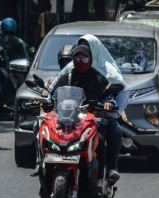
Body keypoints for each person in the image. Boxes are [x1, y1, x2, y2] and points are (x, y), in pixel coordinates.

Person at [48, 34, 129, 188]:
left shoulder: (102, 74)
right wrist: (47, 102)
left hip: (96, 116)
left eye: (85, 56)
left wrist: (111, 106)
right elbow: (54, 90)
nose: (80, 60)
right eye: (77, 56)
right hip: (70, 116)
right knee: (46, 129)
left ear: (93, 53)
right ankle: (44, 166)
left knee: (109, 134)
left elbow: (116, 91)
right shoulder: (69, 73)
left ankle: (107, 173)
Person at [30, 44, 74, 177]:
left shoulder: (82, 78)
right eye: (64, 61)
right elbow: (46, 95)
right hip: (57, 114)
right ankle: (40, 160)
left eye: (69, 61)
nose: (67, 65)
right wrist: (41, 100)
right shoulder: (53, 80)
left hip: (78, 116)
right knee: (37, 125)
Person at [0, 17, 28, 106]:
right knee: (23, 83)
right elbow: (25, 58)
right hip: (13, 69)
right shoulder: (19, 42)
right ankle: (21, 102)